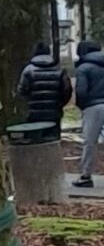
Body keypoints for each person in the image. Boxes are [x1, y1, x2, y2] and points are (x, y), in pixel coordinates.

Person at [20, 46, 73, 139]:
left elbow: (22, 90)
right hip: (54, 113)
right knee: (53, 140)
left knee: (35, 141)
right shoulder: (59, 70)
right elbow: (67, 90)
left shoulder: (28, 70)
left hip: (34, 113)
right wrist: (60, 104)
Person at [75, 41, 104, 189]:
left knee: (89, 142)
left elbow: (81, 91)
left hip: (92, 106)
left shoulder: (83, 68)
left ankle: (86, 176)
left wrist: (82, 105)